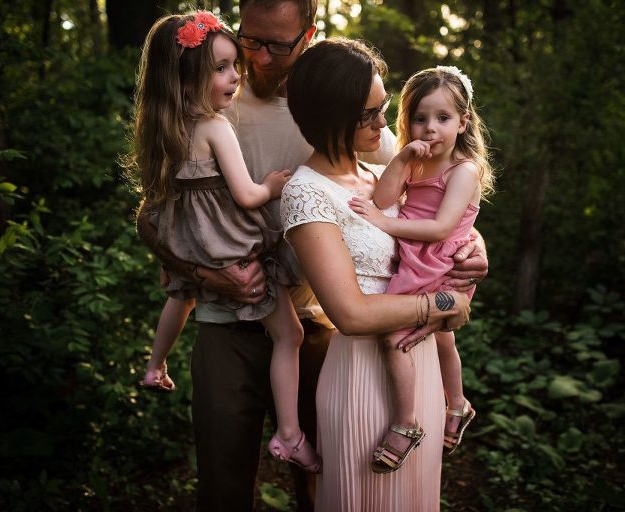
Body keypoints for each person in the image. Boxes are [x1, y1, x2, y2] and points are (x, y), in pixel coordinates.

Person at [135, 1, 489, 510]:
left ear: (308, 34)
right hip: (229, 318)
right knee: (224, 481)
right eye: (250, 39)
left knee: (322, 482)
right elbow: (154, 213)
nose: (258, 58)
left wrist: (474, 247)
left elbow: (429, 194)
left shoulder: (347, 101)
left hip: (318, 322)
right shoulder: (210, 98)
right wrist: (200, 272)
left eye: (277, 44)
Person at [282, 37, 474, 511]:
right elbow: (351, 314)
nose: (382, 124)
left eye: (383, 108)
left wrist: (475, 251)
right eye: (368, 114)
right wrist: (446, 305)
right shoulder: (306, 193)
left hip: (421, 366)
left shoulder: (378, 175)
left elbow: (442, 224)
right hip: (362, 374)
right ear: (331, 117)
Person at [131, 10, 320, 474]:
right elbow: (245, 195)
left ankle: (155, 364)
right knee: (289, 335)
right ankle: (289, 435)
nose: (238, 73)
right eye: (222, 67)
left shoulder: (166, 128)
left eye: (234, 64)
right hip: (234, 254)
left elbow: (157, 209)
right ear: (187, 78)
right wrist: (272, 185)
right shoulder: (216, 125)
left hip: (197, 246)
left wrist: (185, 263)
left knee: (180, 296)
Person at [348, 66, 494, 470]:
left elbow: (441, 227)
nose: (430, 128)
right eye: (420, 118)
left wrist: (383, 224)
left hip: (440, 264)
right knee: (443, 339)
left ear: (463, 122)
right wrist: (402, 159)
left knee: (394, 339)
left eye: (443, 118)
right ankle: (459, 404)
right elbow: (383, 197)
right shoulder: (417, 159)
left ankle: (406, 424)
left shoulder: (464, 170)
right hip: (417, 257)